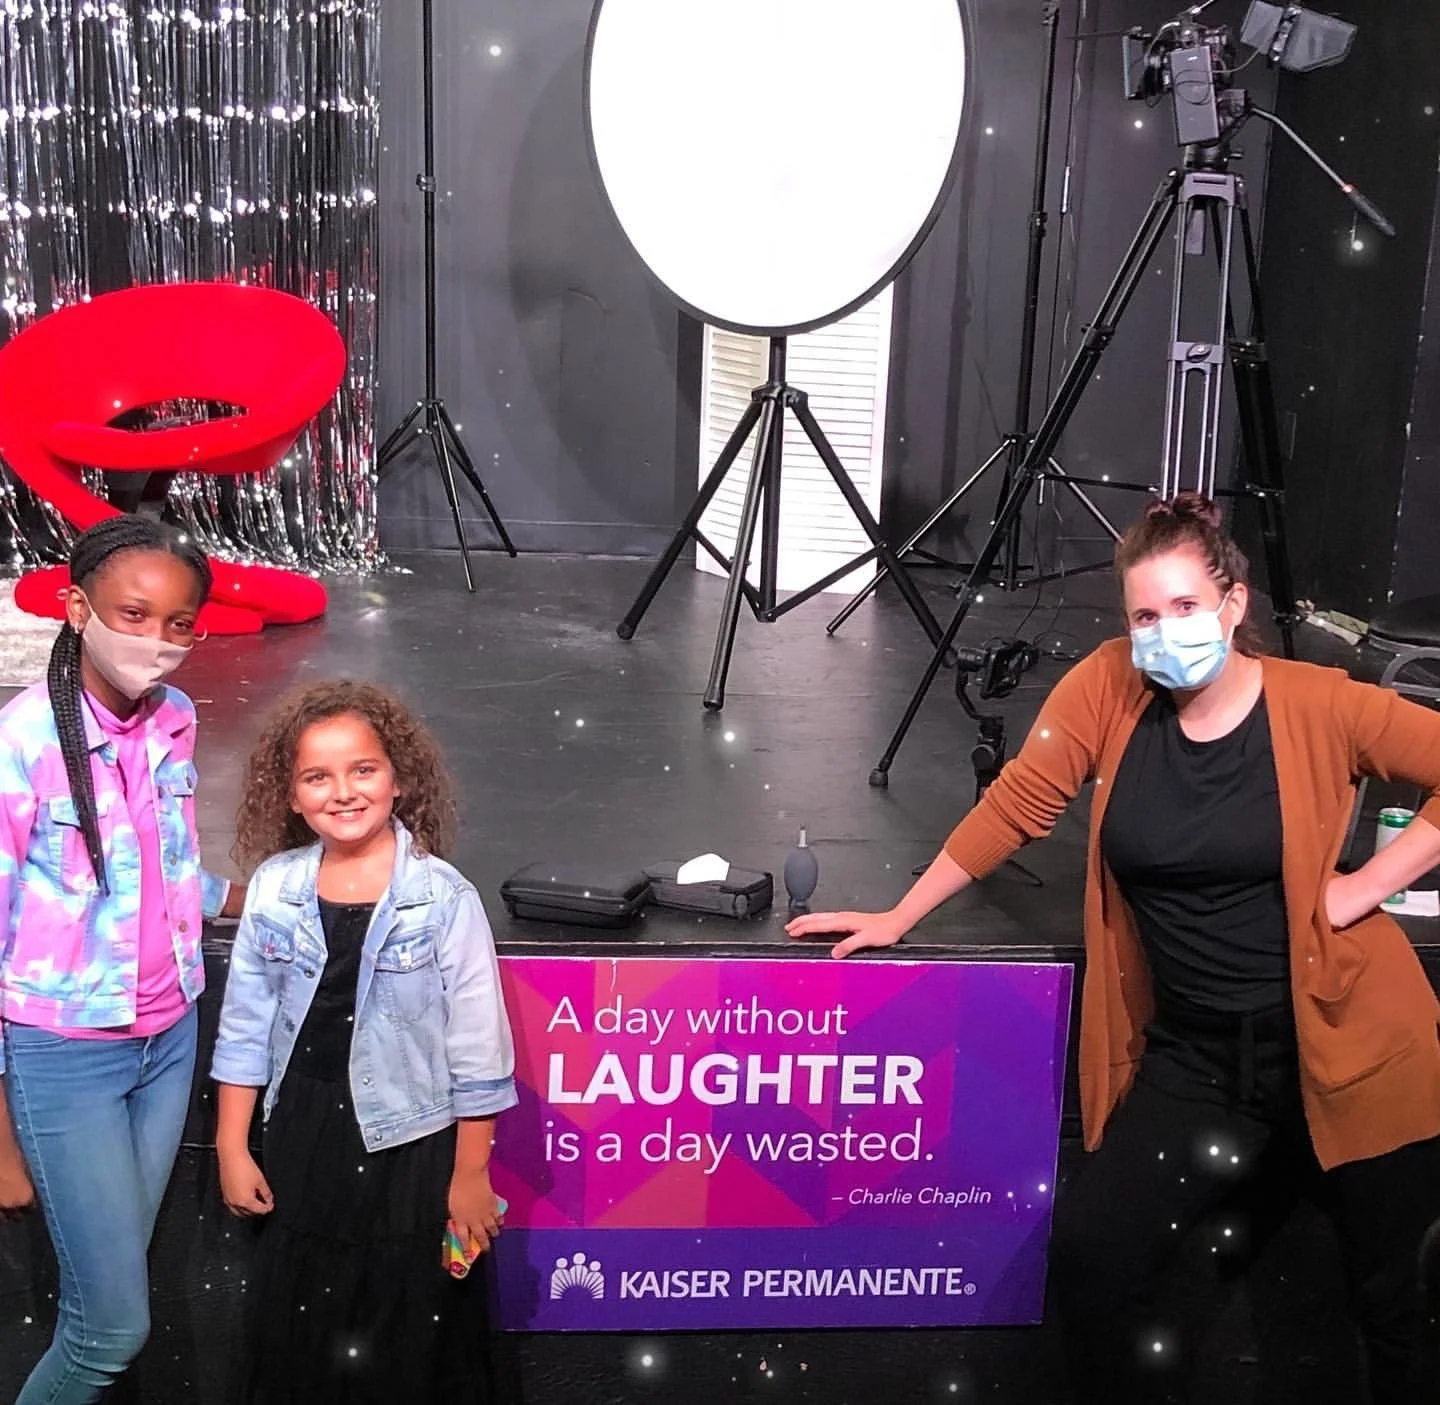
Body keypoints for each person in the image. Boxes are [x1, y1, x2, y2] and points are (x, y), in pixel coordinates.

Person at [788, 493, 1440, 1403]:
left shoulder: (1319, 704)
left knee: (1390, 1302)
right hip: (1201, 1060)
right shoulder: (1108, 685)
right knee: (1094, 1253)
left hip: (1353, 1047)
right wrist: (901, 914)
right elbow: (1021, 801)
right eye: (1143, 615)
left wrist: (1365, 885)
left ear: (1234, 604)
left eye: (1183, 608)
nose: (1163, 632)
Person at [211, 680, 516, 1404]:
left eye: (363, 769)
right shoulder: (274, 888)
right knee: (305, 1331)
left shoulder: (444, 898)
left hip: (411, 1145)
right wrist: (231, 1145)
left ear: (398, 777)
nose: (342, 791)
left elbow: (479, 1051)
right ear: (289, 794)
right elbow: (245, 1027)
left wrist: (469, 1173)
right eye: (317, 776)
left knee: (410, 1327)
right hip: (306, 1138)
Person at [0, 516, 242, 1403]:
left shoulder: (173, 718)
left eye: (180, 623)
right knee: (112, 1329)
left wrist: (236, 896)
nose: (157, 640)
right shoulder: (19, 743)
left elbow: (163, 858)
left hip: (168, 1035)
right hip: (65, 1054)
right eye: (133, 615)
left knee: (107, 1299)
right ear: (77, 608)